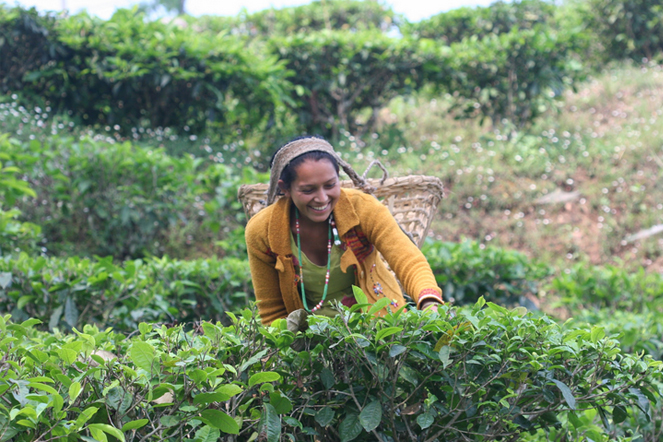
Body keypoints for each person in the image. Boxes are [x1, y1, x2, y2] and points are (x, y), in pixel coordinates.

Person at [245, 136, 443, 325]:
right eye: (308, 190)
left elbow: (407, 259)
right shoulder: (263, 231)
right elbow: (272, 311)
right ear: (285, 188)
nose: (322, 198)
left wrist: (429, 302)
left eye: (330, 185)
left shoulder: (363, 208)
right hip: (312, 345)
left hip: (379, 332)